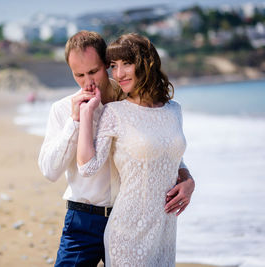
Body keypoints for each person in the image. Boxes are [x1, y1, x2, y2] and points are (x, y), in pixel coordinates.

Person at [38, 31, 195, 266]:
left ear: (106, 63)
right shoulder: (62, 110)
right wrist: (76, 121)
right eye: (78, 75)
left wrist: (187, 178)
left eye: (93, 71)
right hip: (84, 219)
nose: (86, 81)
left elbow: (158, 150)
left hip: (136, 222)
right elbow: (49, 171)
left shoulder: (134, 100)